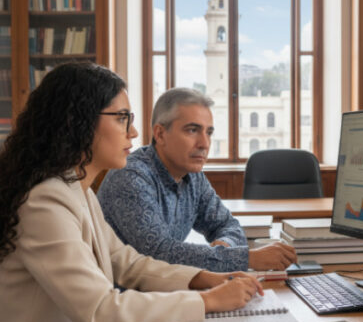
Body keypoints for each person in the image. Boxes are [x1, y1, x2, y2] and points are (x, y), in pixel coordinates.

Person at [0, 62, 261, 322]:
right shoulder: (46, 200)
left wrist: (202, 279)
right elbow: (99, 310)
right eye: (122, 118)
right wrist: (209, 301)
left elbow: (124, 260)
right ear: (78, 121)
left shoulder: (77, 190)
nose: (134, 132)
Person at [97, 87, 297, 272]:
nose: (204, 143)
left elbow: (228, 225)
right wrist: (246, 259)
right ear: (160, 134)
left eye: (208, 132)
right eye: (192, 130)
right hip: (121, 301)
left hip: (161, 293)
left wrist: (224, 248)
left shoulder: (193, 176)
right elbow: (159, 254)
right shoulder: (131, 176)